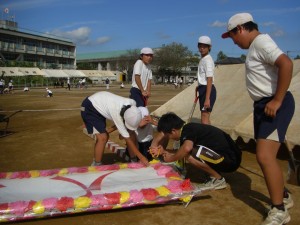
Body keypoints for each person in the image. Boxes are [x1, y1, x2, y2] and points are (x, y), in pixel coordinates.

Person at [222, 12, 295, 225]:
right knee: (266, 156)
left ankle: (279, 210)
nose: (234, 41)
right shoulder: (256, 46)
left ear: (241, 29)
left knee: (264, 156)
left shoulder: (261, 41)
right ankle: (283, 195)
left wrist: (278, 100)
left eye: (233, 36)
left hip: (273, 104)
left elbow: (286, 64)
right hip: (263, 106)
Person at [149, 112, 241, 190]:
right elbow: (181, 150)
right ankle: (215, 173)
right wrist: (164, 151)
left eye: (168, 136)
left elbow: (186, 149)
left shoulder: (188, 130)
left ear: (173, 131)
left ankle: (218, 180)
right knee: (187, 152)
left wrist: (171, 158)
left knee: (188, 155)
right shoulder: (188, 128)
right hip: (230, 156)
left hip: (231, 161)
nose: (170, 138)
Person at [81, 91, 149, 166]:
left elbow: (123, 129)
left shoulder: (133, 104)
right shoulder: (117, 114)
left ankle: (133, 160)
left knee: (131, 132)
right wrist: (141, 157)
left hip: (102, 104)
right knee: (103, 137)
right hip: (90, 108)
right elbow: (127, 138)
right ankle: (96, 164)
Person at [196, 36, 216, 125]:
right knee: (205, 116)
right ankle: (210, 137)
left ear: (209, 47)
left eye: (204, 46)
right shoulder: (203, 59)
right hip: (203, 89)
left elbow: (209, 79)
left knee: (204, 117)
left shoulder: (207, 60)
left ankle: (206, 138)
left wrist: (207, 99)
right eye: (200, 46)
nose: (202, 48)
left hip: (207, 89)